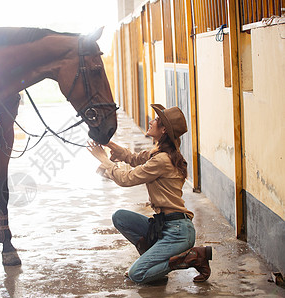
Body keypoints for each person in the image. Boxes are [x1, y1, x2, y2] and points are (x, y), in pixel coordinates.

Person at [87, 104, 212, 284]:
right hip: (164, 226)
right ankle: (155, 266)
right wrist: (109, 143)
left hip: (177, 232)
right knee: (120, 217)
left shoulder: (162, 160)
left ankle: (191, 257)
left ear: (163, 130)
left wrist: (104, 160)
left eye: (155, 120)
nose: (150, 121)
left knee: (136, 275)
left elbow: (126, 179)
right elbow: (133, 158)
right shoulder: (160, 153)